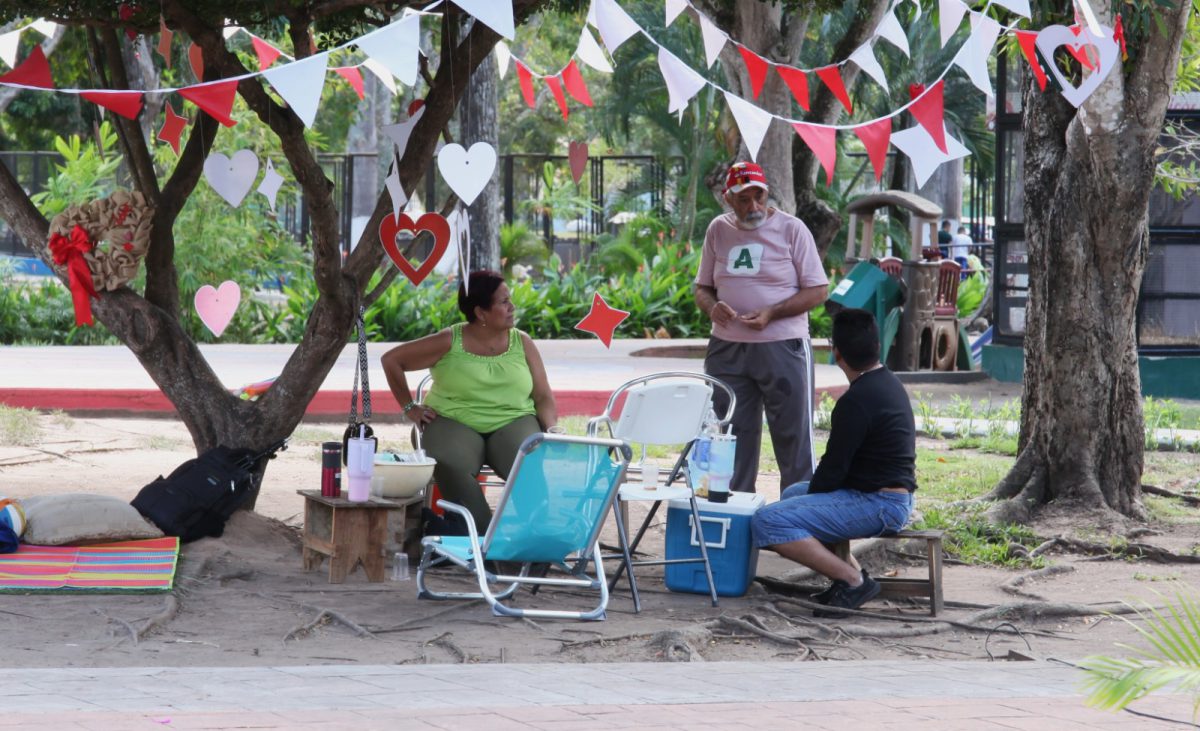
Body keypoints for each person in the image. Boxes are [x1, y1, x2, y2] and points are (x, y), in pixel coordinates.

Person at [751, 308, 916, 617]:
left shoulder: (855, 401)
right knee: (792, 495)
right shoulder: (888, 383)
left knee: (767, 521)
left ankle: (853, 581)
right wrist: (807, 502)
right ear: (877, 346)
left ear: (836, 353)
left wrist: (810, 504)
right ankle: (849, 578)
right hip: (889, 496)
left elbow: (832, 471)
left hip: (880, 503)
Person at [380, 270, 558, 533]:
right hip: (453, 421)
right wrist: (410, 408)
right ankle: (479, 535)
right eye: (504, 302)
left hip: (513, 419)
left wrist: (552, 428)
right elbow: (391, 360)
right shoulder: (449, 341)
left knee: (527, 463)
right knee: (448, 462)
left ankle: (536, 535)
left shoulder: (523, 342)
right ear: (481, 313)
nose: (512, 307)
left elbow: (543, 396)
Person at [693, 161, 828, 494]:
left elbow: (818, 290)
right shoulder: (717, 230)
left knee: (793, 437)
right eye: (743, 199)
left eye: (759, 196)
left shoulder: (792, 229)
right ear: (727, 199)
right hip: (727, 349)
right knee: (729, 435)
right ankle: (734, 510)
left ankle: (796, 514)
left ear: (767, 194)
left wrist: (773, 312)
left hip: (783, 345)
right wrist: (712, 307)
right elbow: (702, 288)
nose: (753, 205)